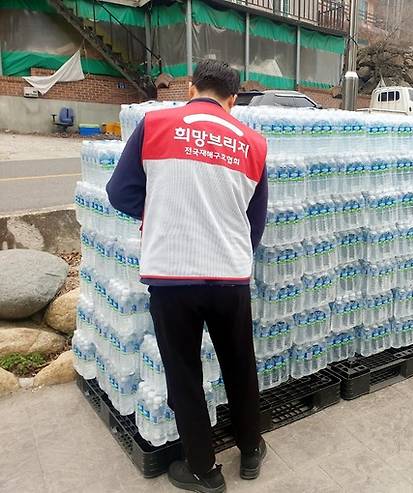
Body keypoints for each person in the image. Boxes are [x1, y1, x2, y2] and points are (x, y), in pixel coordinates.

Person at [107, 60, 268, 493]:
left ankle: (203, 470)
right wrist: (232, 253)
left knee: (184, 372)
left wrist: (161, 211)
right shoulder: (253, 143)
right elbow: (255, 221)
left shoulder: (155, 123)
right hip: (230, 276)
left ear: (191, 87)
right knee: (238, 365)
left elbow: (119, 193)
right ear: (233, 100)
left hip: (171, 274)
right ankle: (251, 450)